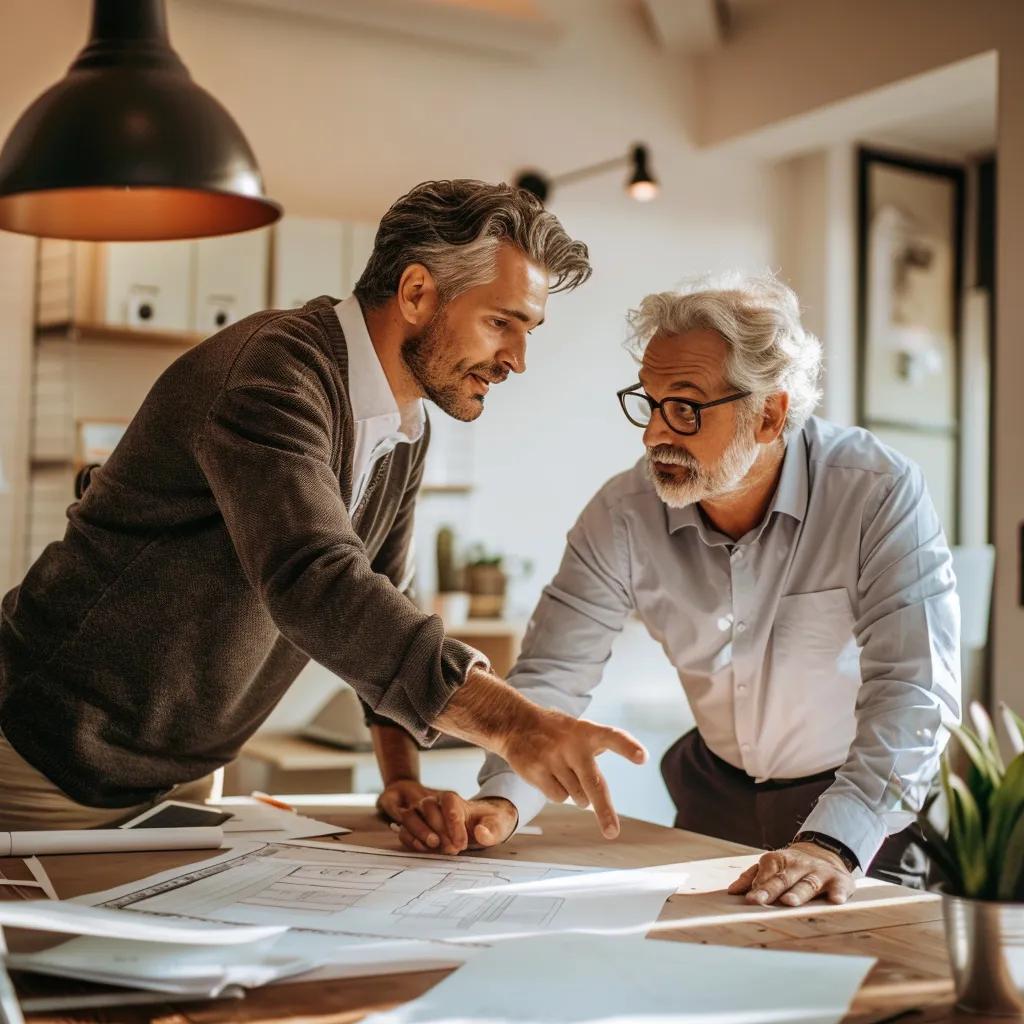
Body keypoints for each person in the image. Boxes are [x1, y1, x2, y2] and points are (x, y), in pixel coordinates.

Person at [0, 179, 648, 830]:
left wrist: (401, 778)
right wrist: (515, 725)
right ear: (416, 293)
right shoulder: (273, 375)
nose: (518, 359)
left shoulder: (405, 427)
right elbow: (315, 581)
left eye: (528, 330)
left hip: (182, 770)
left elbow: (382, 593)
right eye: (500, 322)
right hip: (44, 748)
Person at [377, 272, 961, 907]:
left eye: (685, 408)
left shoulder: (877, 492)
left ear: (769, 415)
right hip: (715, 794)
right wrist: (501, 803)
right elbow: (553, 673)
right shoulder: (623, 512)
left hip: (866, 812)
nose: (654, 434)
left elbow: (914, 690)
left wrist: (832, 844)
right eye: (649, 403)